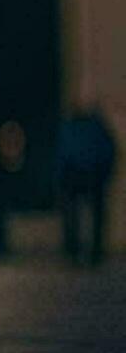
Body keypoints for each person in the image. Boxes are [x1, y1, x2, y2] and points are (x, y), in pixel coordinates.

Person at [57, 107, 117, 266]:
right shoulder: (86, 127)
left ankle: (81, 251)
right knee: (80, 215)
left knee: (83, 215)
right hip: (83, 175)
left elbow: (107, 150)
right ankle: (79, 250)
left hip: (87, 175)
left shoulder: (83, 128)